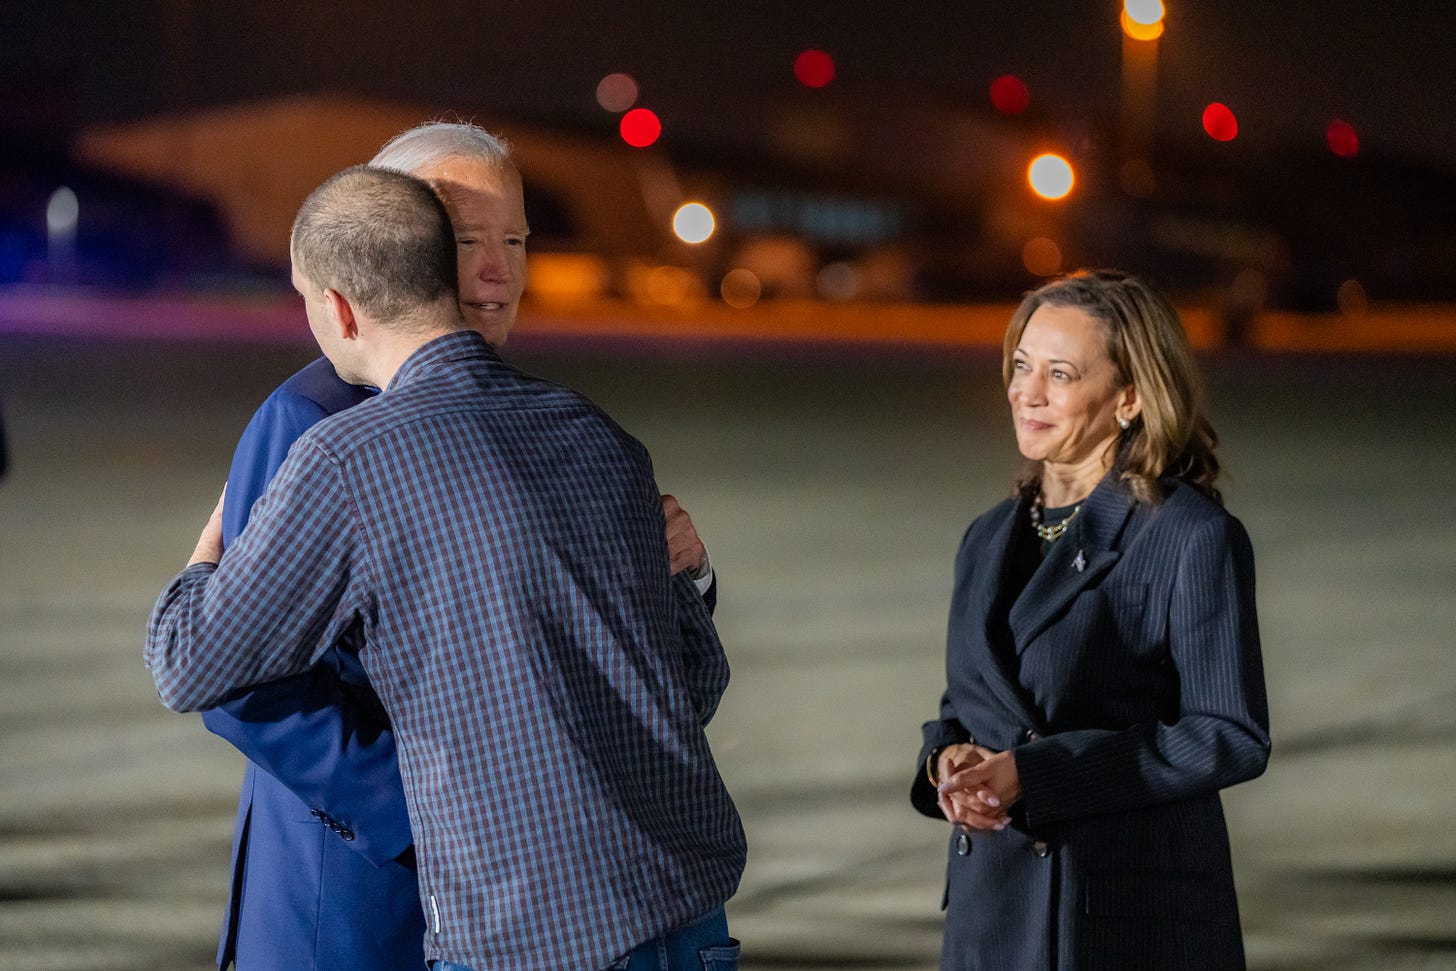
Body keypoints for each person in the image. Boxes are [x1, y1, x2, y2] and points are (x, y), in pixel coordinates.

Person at [146, 166, 745, 970]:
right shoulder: (600, 436)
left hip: (527, 929)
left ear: (341, 307)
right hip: (686, 918)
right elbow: (695, 682)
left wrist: (205, 561)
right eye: (473, 240)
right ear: (440, 269)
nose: (498, 266)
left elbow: (193, 666)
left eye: (515, 240)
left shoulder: (348, 456)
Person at [910, 270, 1270, 970]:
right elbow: (967, 707)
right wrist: (947, 760)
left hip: (1120, 928)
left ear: (1130, 397)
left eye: (1060, 373)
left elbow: (1230, 735)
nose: (1026, 391)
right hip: (993, 918)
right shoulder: (986, 537)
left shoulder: (1188, 534)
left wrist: (1040, 774)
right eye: (1020, 365)